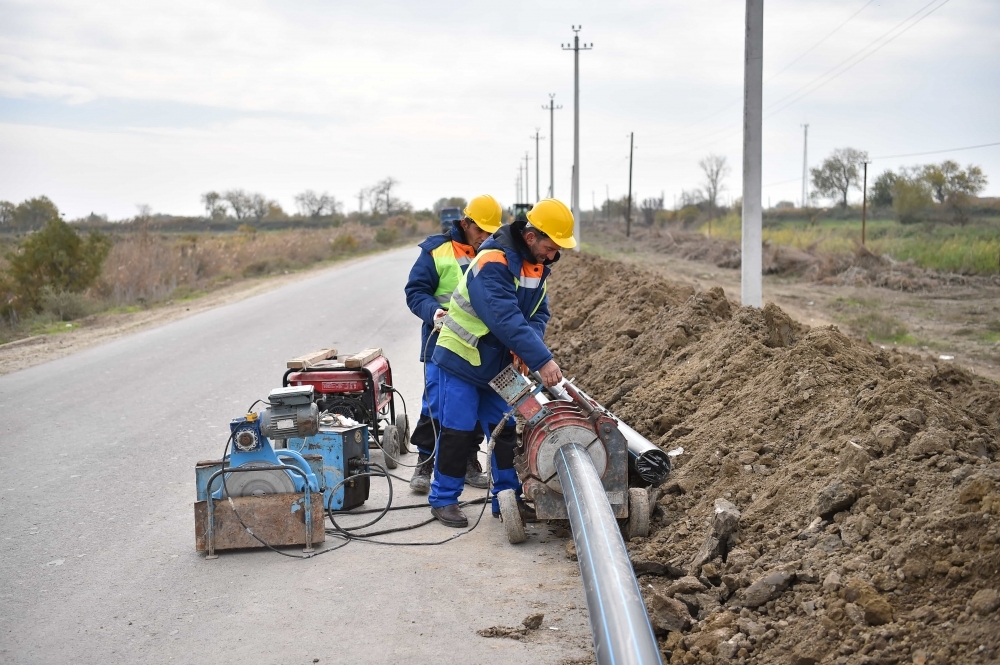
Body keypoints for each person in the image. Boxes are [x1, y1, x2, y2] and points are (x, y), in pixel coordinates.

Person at [427, 198, 575, 527]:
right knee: (458, 431)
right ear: (531, 236)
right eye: (550, 248)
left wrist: (526, 347)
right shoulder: (493, 260)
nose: (552, 256)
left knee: (505, 431)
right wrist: (542, 359)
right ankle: (443, 499)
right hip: (463, 357)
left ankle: (506, 499)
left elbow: (538, 314)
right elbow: (503, 316)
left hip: (498, 364)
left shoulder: (536, 267)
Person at [403, 195, 504, 493]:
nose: (484, 237)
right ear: (465, 223)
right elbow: (416, 291)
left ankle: (469, 461)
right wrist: (433, 312)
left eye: (490, 232)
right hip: (441, 342)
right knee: (436, 402)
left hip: (481, 346)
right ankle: (425, 461)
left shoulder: (497, 254)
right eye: (480, 230)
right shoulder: (437, 251)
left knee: (473, 404)